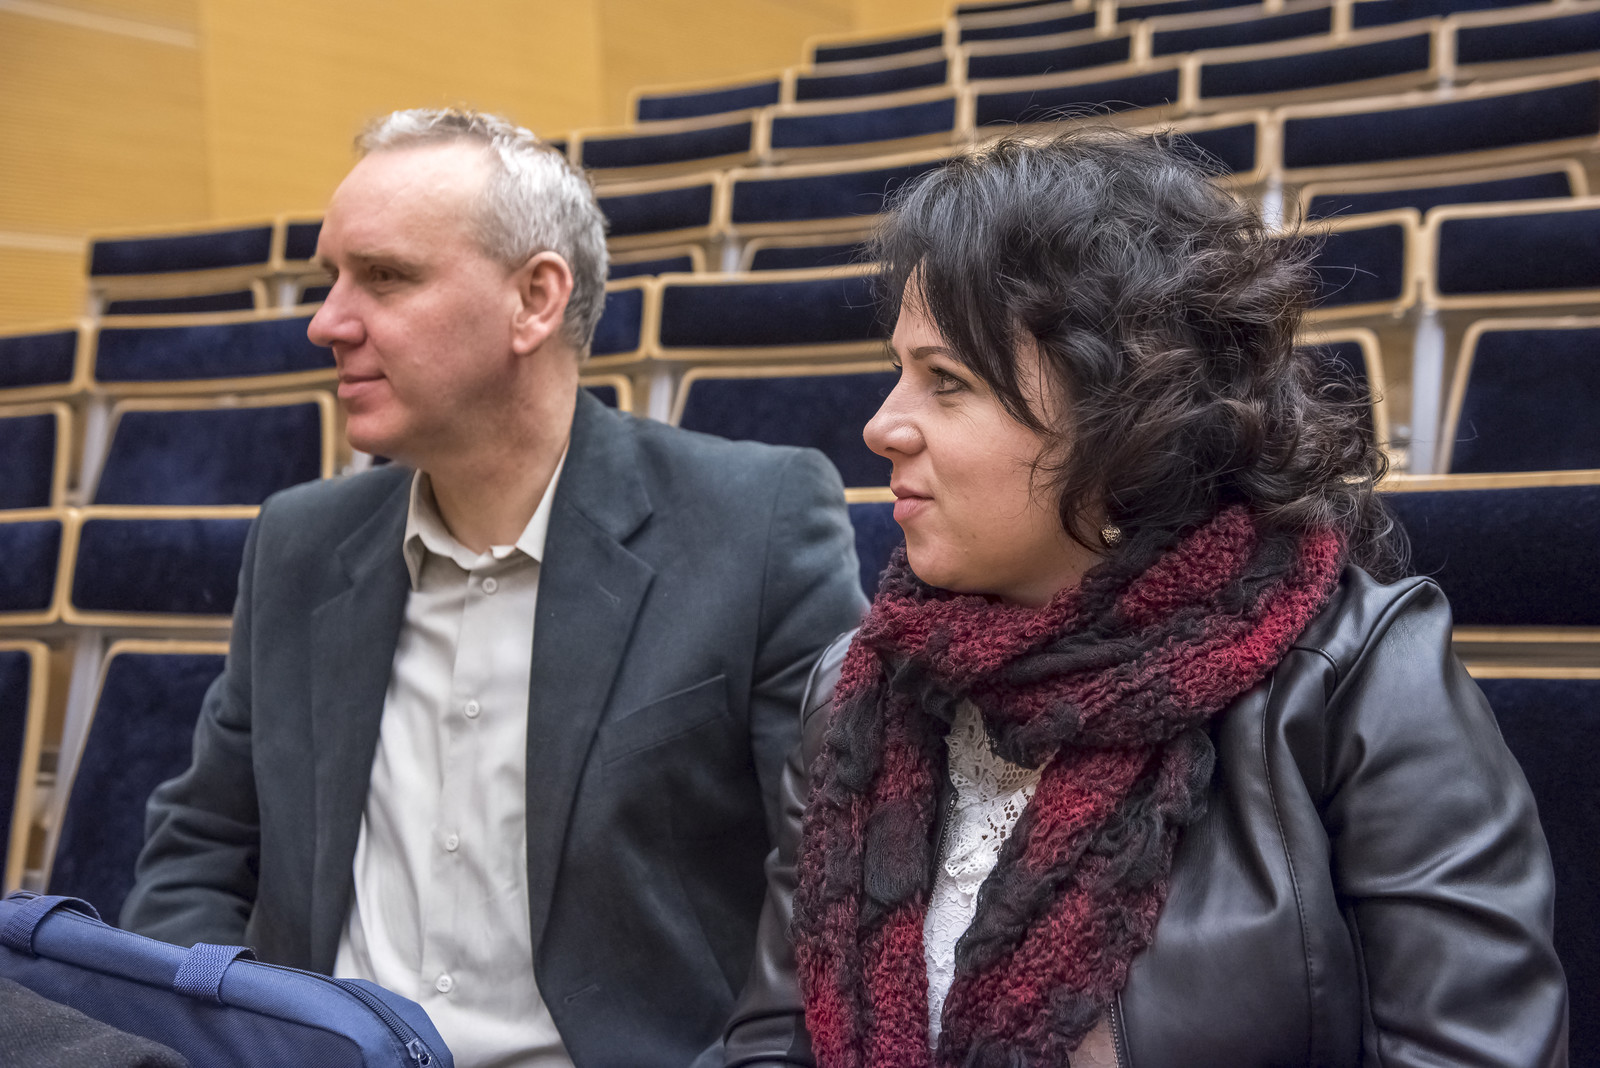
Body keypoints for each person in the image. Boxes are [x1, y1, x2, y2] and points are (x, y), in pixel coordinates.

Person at [722, 128, 1568, 1067]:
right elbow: (773, 1043)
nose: (882, 426)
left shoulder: (1358, 680)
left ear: (1122, 413)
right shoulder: (858, 687)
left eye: (946, 381)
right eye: (900, 372)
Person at [121, 108, 868, 1068]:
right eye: (330, 279)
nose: (326, 322)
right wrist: (211, 1039)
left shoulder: (753, 524)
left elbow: (832, 887)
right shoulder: (298, 543)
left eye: (385, 277)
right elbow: (201, 845)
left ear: (534, 299)